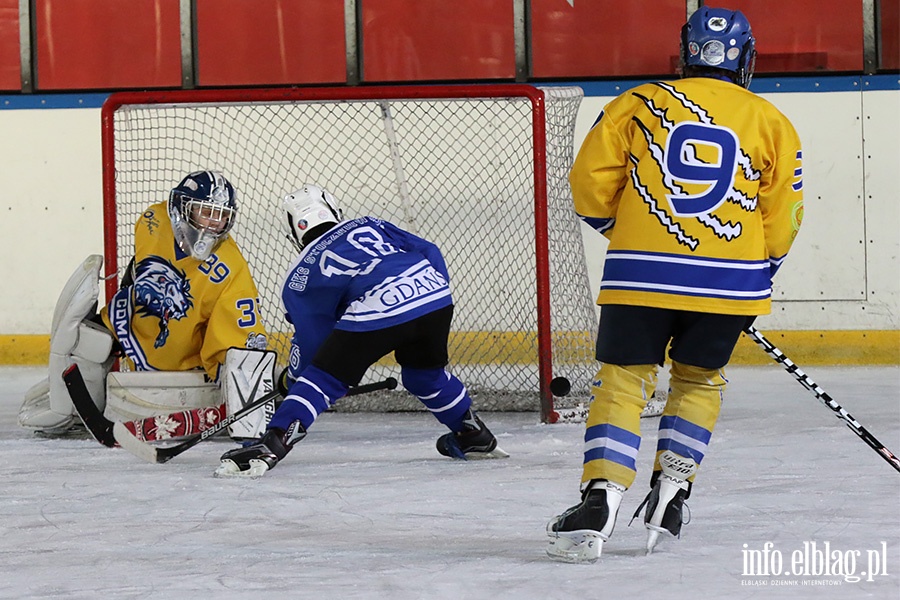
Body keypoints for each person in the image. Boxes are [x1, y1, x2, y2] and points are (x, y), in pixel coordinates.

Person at [546, 7, 804, 562]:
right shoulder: (771, 120)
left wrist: (626, 230)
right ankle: (673, 493)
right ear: (746, 57)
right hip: (730, 282)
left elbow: (589, 185)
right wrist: (760, 266)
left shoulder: (636, 102)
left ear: (686, 50)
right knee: (700, 380)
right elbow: (782, 216)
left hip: (640, 273)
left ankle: (601, 498)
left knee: (622, 379)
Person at [215, 183, 507, 478]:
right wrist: (426, 295)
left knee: (322, 380)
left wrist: (293, 381)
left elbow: (313, 342)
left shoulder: (299, 274)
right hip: (431, 290)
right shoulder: (370, 223)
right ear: (335, 212)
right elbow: (428, 249)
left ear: (294, 234)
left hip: (382, 302)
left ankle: (272, 444)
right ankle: (473, 433)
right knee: (424, 376)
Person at [19, 170, 269, 436]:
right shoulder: (154, 219)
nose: (213, 224)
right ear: (181, 208)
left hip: (180, 349)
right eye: (206, 212)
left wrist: (243, 396)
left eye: (222, 216)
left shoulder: (231, 268)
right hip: (134, 317)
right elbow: (138, 266)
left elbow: (239, 336)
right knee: (85, 341)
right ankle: (75, 411)